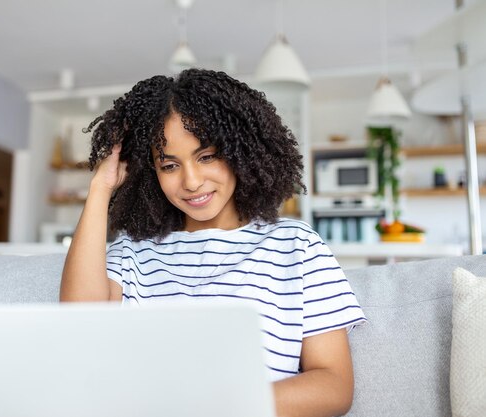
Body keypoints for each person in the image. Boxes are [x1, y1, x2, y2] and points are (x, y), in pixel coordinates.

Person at [60, 68, 366, 417]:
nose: (191, 181)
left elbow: (333, 386)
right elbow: (78, 325)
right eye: (170, 165)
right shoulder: (133, 252)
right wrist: (101, 187)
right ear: (151, 172)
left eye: (206, 156)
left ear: (240, 150)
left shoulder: (296, 246)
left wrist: (214, 405)